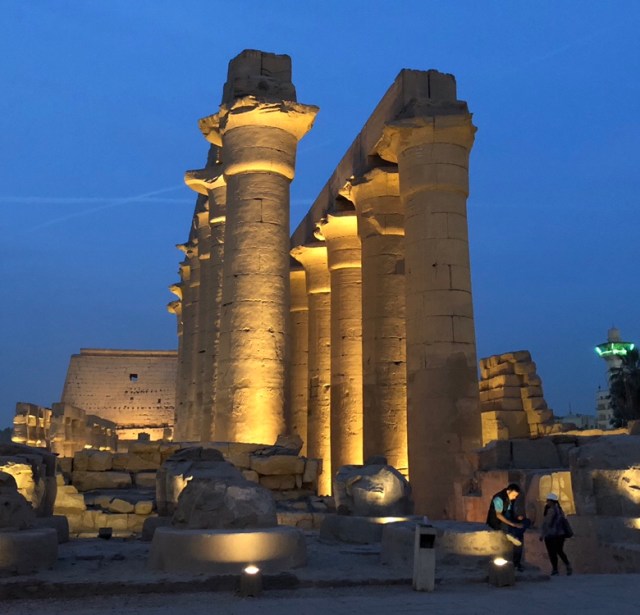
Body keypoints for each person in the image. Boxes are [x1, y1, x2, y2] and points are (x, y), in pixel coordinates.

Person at [486, 483, 526, 571]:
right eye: (514, 495)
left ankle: (517, 563)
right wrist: (513, 524)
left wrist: (517, 518)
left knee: (523, 526)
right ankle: (510, 534)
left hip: (508, 520)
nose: (515, 497)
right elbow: (499, 515)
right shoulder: (498, 498)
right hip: (497, 522)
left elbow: (509, 512)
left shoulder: (510, 499)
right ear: (509, 491)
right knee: (514, 532)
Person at [540, 492, 573, 576]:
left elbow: (547, 523)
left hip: (551, 535)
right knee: (559, 551)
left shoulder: (551, 510)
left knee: (552, 552)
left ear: (551, 501)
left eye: (548, 500)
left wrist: (542, 534)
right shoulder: (560, 510)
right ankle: (567, 565)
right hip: (560, 534)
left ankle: (555, 569)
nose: (547, 502)